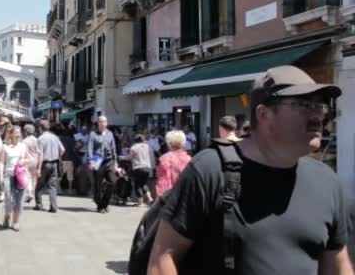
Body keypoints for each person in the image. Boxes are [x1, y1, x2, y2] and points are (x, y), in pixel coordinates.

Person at [148, 65, 351, 274]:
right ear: (264, 114)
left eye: (321, 106)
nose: (318, 115)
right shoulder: (210, 170)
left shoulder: (326, 182)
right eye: (305, 104)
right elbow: (163, 260)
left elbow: (338, 265)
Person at [0, 126, 29, 231]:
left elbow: (29, 158)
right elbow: (2, 162)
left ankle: (15, 221)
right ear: (10, 134)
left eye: (19, 132)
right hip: (9, 175)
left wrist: (23, 161)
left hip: (20, 176)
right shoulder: (5, 147)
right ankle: (7, 215)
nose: (18, 134)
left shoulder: (23, 146)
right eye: (16, 132)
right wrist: (1, 176)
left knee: (19, 200)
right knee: (8, 198)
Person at [87, 115, 118, 214]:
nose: (102, 123)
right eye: (100, 121)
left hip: (109, 161)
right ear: (98, 123)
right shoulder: (93, 134)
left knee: (112, 182)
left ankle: (104, 203)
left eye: (104, 121)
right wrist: (91, 161)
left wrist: (115, 162)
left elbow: (114, 148)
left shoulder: (110, 134)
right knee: (97, 185)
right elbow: (90, 148)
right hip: (97, 159)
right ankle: (100, 205)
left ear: (107, 123)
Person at [34, 120, 65, 213]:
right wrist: (56, 155)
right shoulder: (55, 137)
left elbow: (40, 155)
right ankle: (53, 206)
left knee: (39, 185)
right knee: (52, 186)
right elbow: (63, 150)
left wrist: (38, 169)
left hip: (45, 164)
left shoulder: (40, 139)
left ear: (40, 128)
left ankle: (39, 205)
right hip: (54, 163)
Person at [155, 130, 192, 197]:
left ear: (169, 143)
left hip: (169, 197)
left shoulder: (164, 159)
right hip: (186, 196)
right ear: (183, 143)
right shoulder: (189, 159)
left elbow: (162, 182)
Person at [130, 134, 154, 207]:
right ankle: (150, 198)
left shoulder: (134, 147)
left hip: (138, 167)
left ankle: (140, 202)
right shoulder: (147, 147)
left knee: (137, 185)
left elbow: (130, 157)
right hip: (147, 167)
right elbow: (151, 156)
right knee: (144, 184)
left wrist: (122, 158)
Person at [22, 124, 41, 203]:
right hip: (36, 160)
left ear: (26, 131)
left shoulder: (24, 141)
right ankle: (32, 193)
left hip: (27, 161)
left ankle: (29, 193)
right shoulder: (37, 140)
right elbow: (39, 152)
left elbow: (23, 152)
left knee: (27, 177)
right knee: (34, 178)